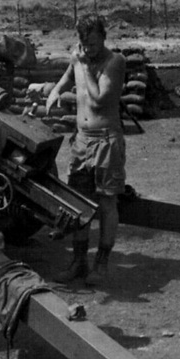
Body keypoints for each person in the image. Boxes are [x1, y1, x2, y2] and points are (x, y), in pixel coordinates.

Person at [45, 15, 126, 285]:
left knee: (106, 203)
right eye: (83, 43)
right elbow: (68, 77)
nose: (88, 48)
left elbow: (101, 100)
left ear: (103, 37)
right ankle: (78, 262)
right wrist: (55, 91)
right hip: (81, 141)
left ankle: (100, 264)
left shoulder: (114, 62)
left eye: (92, 43)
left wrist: (84, 66)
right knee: (77, 202)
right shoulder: (78, 58)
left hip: (105, 141)